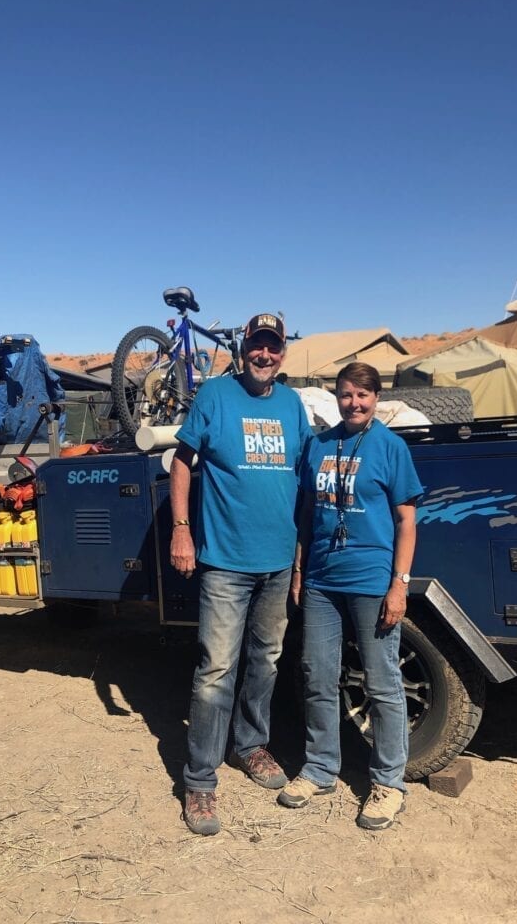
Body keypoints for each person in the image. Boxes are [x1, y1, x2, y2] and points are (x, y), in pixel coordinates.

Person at [170, 312, 311, 836]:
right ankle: (200, 781)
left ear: (282, 354)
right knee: (214, 672)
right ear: (244, 348)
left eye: (273, 347)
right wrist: (181, 529)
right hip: (226, 562)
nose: (265, 355)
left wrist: (298, 559)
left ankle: (250, 746)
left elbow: (303, 479)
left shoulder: (293, 405)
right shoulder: (215, 396)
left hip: (276, 562)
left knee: (267, 662)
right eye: (257, 345)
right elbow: (182, 461)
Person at [279, 362, 423, 830]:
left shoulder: (391, 448)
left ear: (376, 397)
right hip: (322, 580)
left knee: (382, 683)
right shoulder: (319, 446)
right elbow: (306, 514)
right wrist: (301, 570)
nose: (354, 403)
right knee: (318, 676)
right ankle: (320, 768)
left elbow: (406, 521)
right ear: (335, 398)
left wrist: (399, 585)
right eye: (345, 394)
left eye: (362, 394)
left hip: (371, 581)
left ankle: (388, 783)